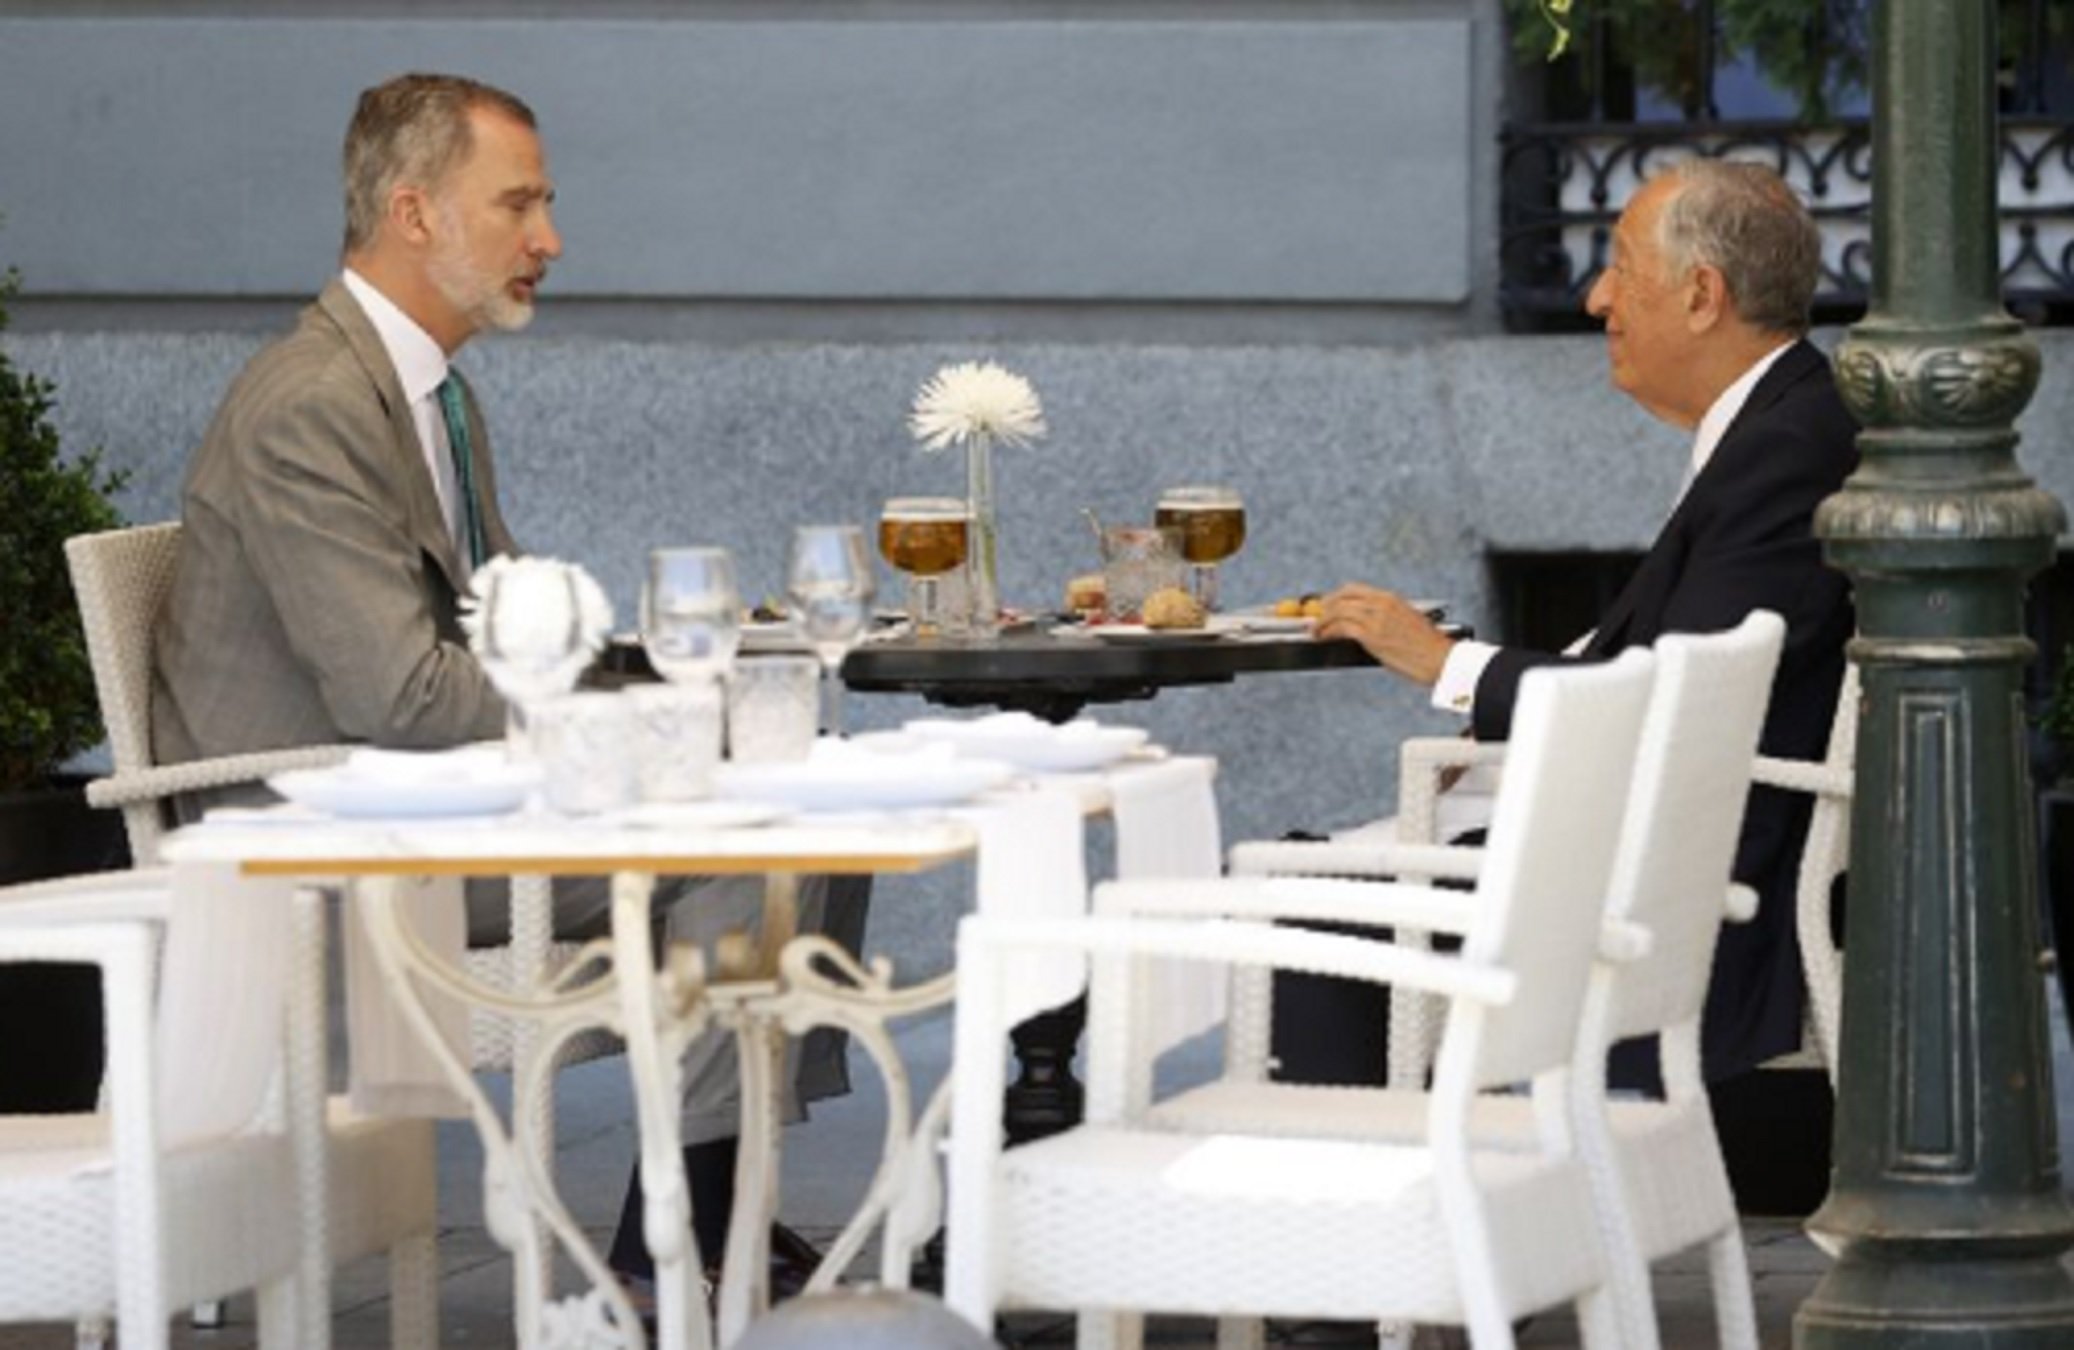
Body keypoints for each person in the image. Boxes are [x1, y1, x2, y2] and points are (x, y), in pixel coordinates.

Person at [151, 72, 845, 1293]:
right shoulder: (314, 406)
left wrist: (676, 684)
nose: (550, 240)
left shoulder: (430, 394)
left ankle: (698, 1209)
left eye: (547, 205)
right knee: (747, 844)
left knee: (790, 807)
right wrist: (657, 731)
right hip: (321, 842)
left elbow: (516, 631)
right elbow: (404, 699)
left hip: (425, 811)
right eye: (518, 205)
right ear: (413, 214)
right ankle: (683, 1234)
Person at [1281, 159, 1857, 1115]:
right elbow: (1671, 656)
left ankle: (1364, 1222)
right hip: (1664, 854)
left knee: (1305, 900)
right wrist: (1498, 717)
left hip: (1674, 899)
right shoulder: (1780, 422)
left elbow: (1674, 695)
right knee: (1316, 867)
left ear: (1702, 295)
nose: (1596, 300)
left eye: (1620, 269)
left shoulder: (1786, 448)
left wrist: (1449, 665)